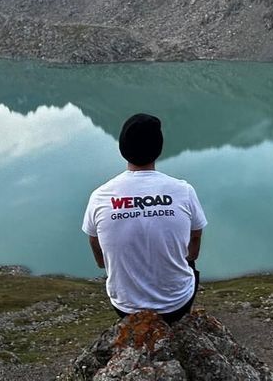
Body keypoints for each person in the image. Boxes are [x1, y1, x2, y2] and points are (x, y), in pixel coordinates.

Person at [81, 113, 207, 323]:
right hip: (176, 304)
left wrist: (103, 264)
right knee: (189, 267)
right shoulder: (183, 190)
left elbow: (95, 241)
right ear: (158, 149)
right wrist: (190, 257)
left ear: (123, 149)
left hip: (126, 307)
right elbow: (195, 238)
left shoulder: (100, 196)